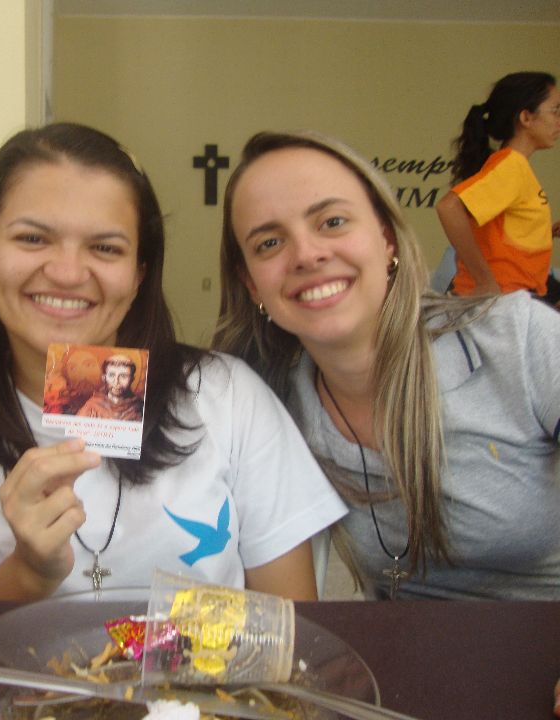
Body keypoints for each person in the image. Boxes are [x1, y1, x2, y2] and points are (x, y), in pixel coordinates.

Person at [0, 123, 345, 602]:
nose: (67, 273)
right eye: (32, 238)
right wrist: (27, 572)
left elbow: (291, 625)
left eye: (106, 248)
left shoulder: (228, 397)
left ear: (138, 277)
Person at [215, 130, 560, 600]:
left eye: (332, 221)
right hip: (396, 642)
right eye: (269, 243)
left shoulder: (517, 338)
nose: (308, 255)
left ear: (386, 239)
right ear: (253, 285)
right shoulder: (268, 403)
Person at [435, 71, 560, 305]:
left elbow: (502, 231)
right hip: (502, 301)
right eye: (555, 110)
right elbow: (448, 208)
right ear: (526, 118)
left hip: (515, 297)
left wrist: (544, 231)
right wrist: (484, 281)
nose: (558, 120)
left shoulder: (515, 166)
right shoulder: (511, 166)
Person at [76, 353, 144, 421]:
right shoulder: (91, 406)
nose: (116, 382)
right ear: (104, 378)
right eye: (111, 375)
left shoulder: (140, 407)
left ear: (132, 379)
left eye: (123, 376)